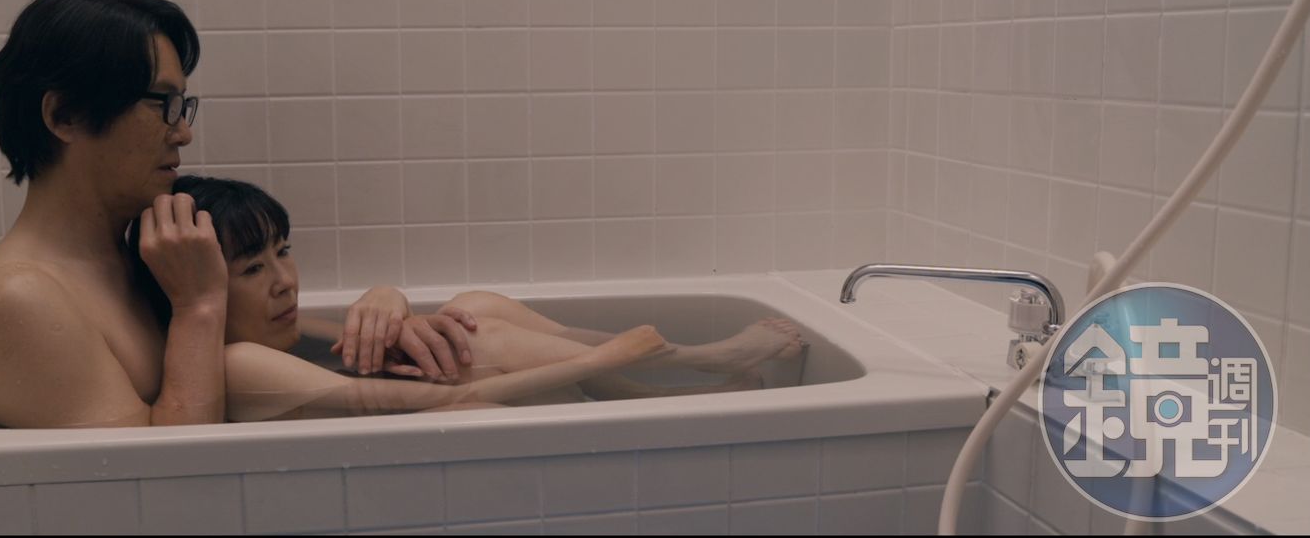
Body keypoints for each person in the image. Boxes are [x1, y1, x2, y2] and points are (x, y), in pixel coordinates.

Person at [131, 175, 807, 421]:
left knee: (472, 306)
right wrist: (605, 357)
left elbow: (392, 330)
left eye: (283, 250)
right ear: (201, 286)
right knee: (482, 343)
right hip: (430, 444)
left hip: (456, 423)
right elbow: (441, 403)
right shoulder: (240, 361)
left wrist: (390, 297)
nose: (283, 278)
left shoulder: (277, 327)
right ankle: (684, 367)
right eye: (253, 268)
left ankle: (662, 385)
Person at [0, 0, 230, 429]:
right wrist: (200, 308)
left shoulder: (140, 259)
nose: (183, 132)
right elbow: (166, 470)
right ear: (64, 115)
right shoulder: (17, 302)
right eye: (164, 104)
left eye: (183, 106)